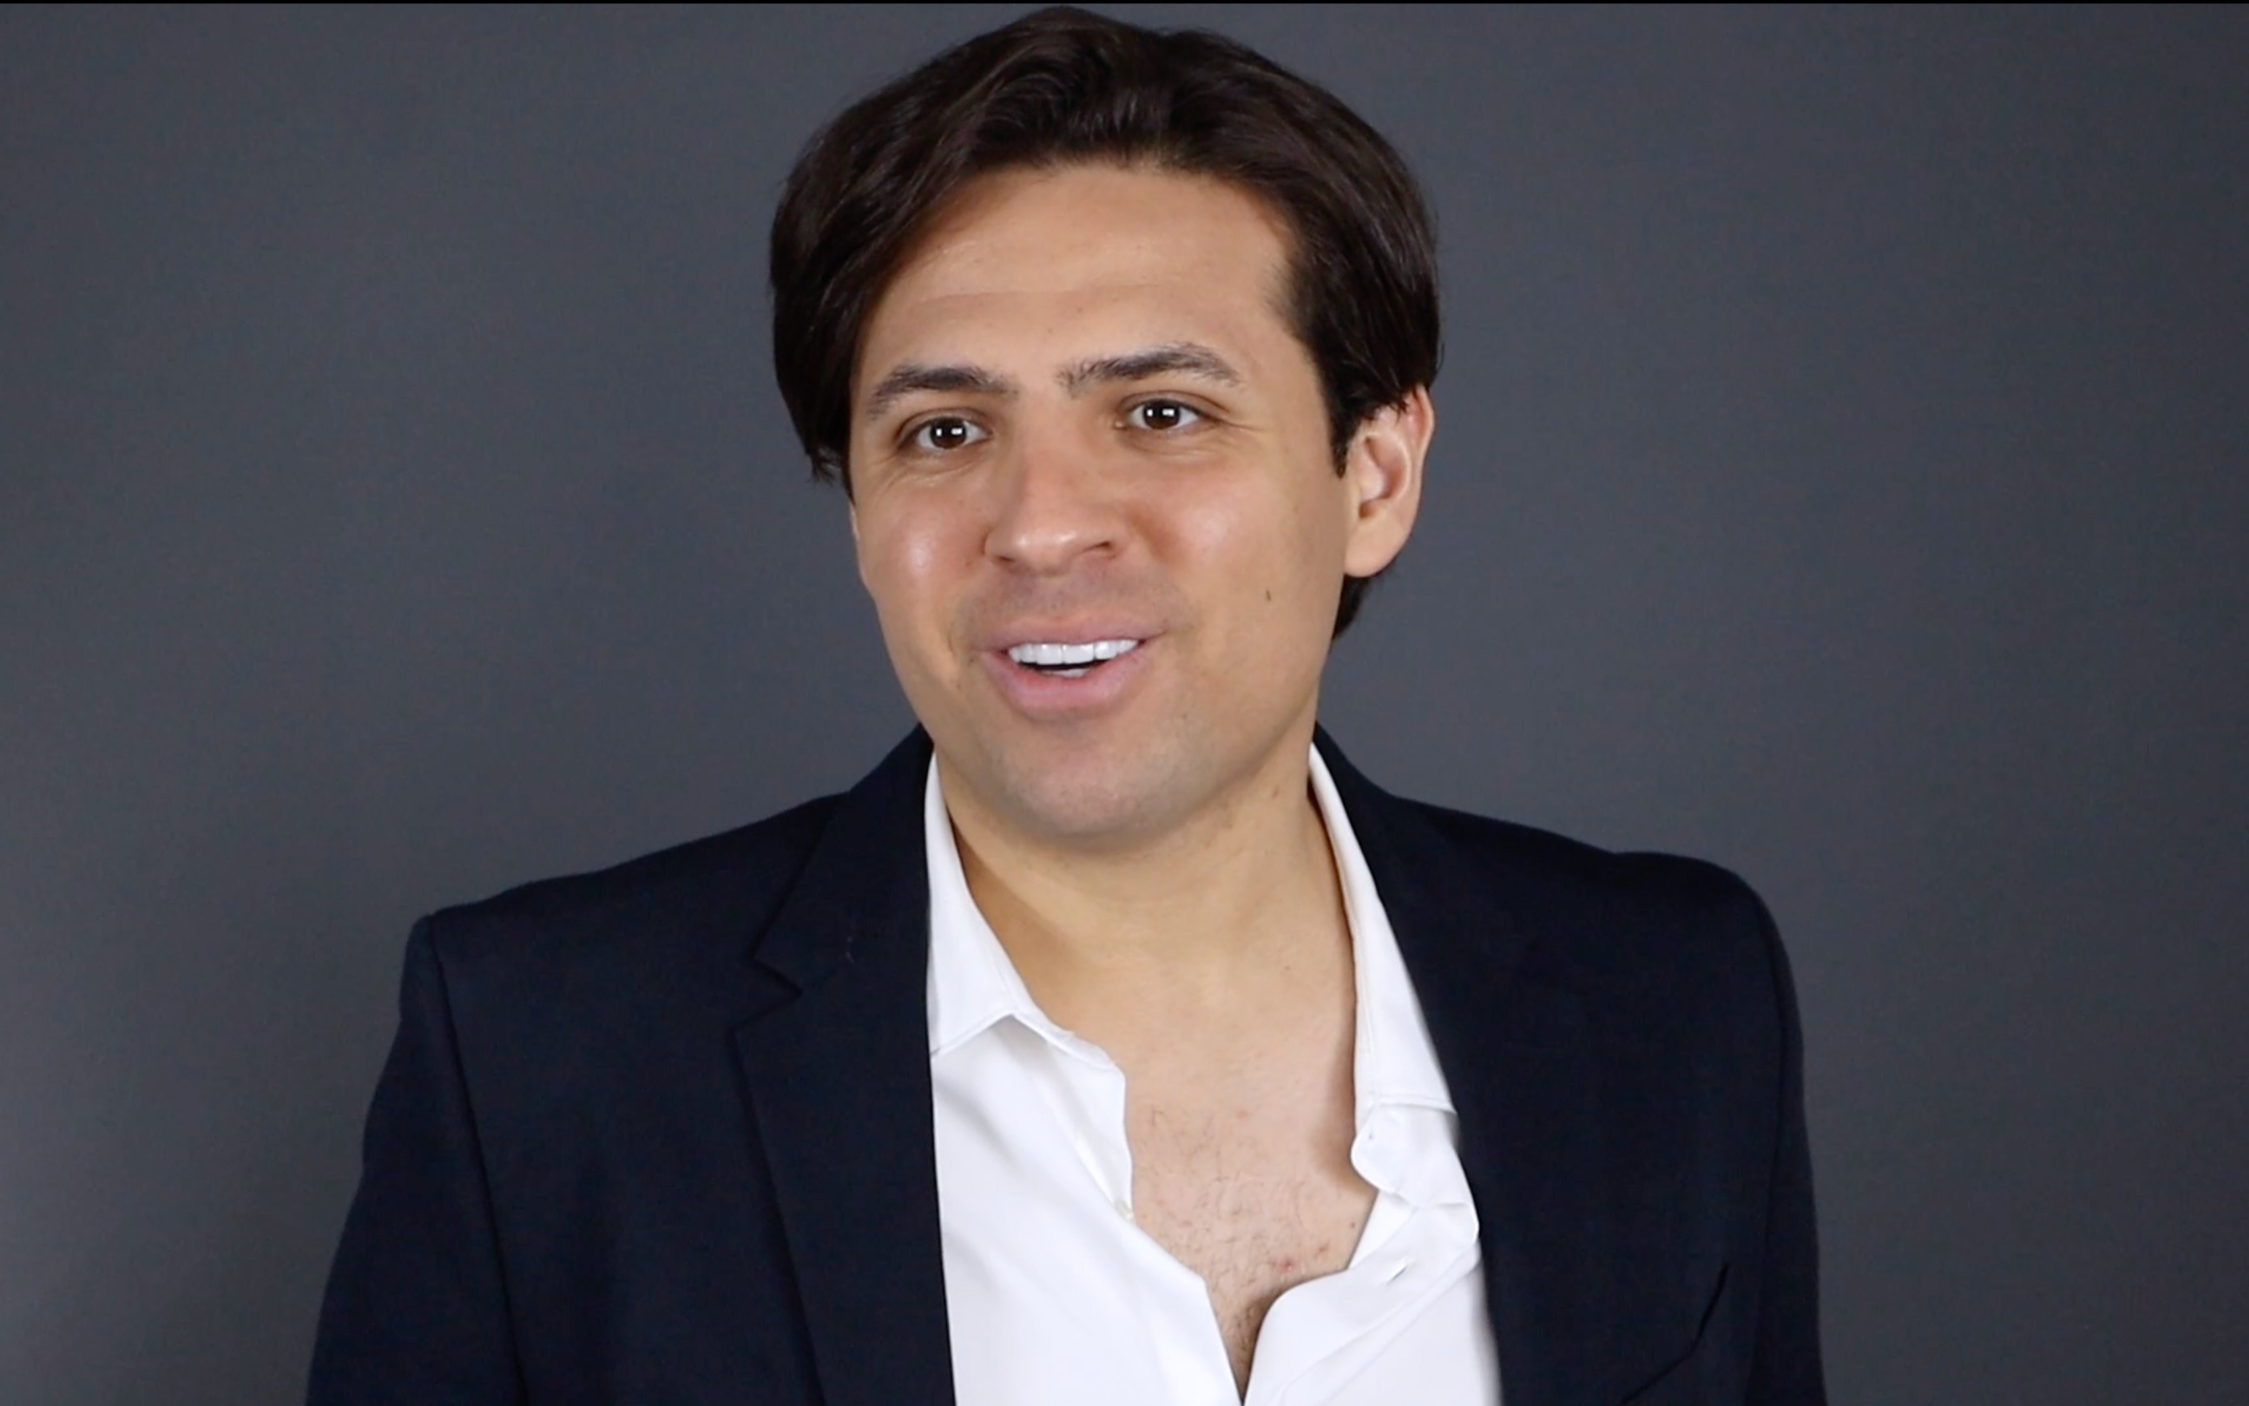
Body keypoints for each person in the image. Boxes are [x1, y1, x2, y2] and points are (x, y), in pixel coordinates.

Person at [308, 8, 1823, 1404]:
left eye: (1160, 413)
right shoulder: (542, 1065)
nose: (1038, 524)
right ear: (859, 510)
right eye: (945, 427)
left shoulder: (1676, 1000)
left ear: (1374, 473)